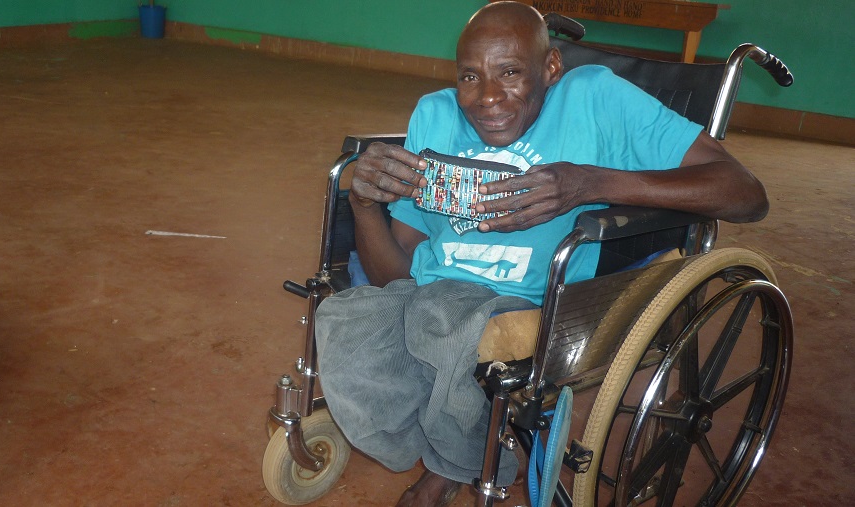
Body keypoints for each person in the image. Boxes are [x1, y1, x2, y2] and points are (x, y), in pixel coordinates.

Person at [314, 2, 769, 505]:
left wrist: (587, 183)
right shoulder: (435, 114)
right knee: (346, 322)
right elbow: (396, 274)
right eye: (470, 76)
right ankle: (452, 452)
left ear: (551, 67)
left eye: (510, 72)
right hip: (432, 292)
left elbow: (744, 192)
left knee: (439, 319)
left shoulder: (592, 96)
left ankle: (459, 464)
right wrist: (362, 204)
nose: (487, 98)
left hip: (534, 299)